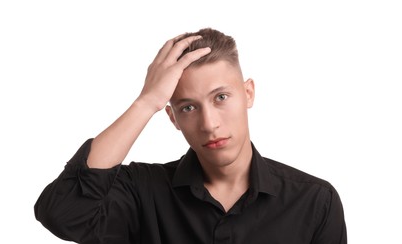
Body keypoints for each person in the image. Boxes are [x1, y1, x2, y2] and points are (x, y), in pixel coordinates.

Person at [34, 28, 347, 243]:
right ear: (172, 117)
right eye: (188, 108)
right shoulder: (143, 191)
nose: (209, 123)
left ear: (248, 93)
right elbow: (62, 211)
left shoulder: (315, 201)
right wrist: (147, 102)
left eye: (221, 97)